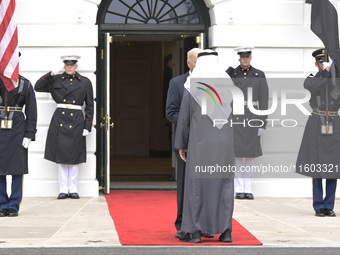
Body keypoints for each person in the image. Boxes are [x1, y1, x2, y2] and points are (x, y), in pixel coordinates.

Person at [175, 49, 235, 243]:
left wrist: (181, 145)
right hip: (224, 144)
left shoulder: (192, 86)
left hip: (200, 144)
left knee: (196, 186)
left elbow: (184, 119)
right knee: (223, 186)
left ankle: (194, 232)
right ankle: (225, 231)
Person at [34, 55, 94, 200]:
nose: (69, 67)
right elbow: (38, 87)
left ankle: (73, 189)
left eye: (72, 65)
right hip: (60, 117)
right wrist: (50, 74)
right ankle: (63, 189)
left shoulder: (85, 82)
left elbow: (90, 106)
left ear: (76, 66)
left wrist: (87, 125)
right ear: (63, 66)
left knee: (74, 157)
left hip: (77, 120)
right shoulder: (55, 79)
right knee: (61, 157)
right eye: (67, 64)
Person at [165, 48, 205, 239]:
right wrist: (190, 124)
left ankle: (203, 224)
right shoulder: (177, 82)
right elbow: (170, 112)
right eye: (196, 61)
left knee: (206, 185)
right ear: (188, 62)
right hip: (185, 143)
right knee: (184, 186)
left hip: (206, 144)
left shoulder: (212, 83)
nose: (198, 65)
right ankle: (182, 225)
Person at [296, 48, 340, 217]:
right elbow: (313, 87)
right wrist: (327, 73)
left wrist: (333, 72)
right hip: (317, 122)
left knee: (332, 165)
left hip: (334, 122)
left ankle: (329, 205)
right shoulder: (313, 78)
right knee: (316, 166)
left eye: (327, 62)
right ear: (317, 64)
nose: (324, 64)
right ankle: (318, 205)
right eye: (321, 62)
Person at [226, 47, 269, 200]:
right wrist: (230, 68)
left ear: (250, 58)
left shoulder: (259, 75)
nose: (245, 59)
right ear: (239, 58)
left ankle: (248, 189)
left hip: (252, 117)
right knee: (236, 156)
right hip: (236, 118)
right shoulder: (232, 74)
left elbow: (264, 99)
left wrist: (262, 123)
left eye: (247, 57)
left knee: (250, 157)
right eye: (242, 57)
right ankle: (239, 189)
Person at [0, 67, 37, 217]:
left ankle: (14, 204)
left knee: (17, 169)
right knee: (0, 169)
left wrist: (29, 134)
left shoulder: (25, 84)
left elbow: (32, 111)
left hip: (18, 130)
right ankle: (2, 204)